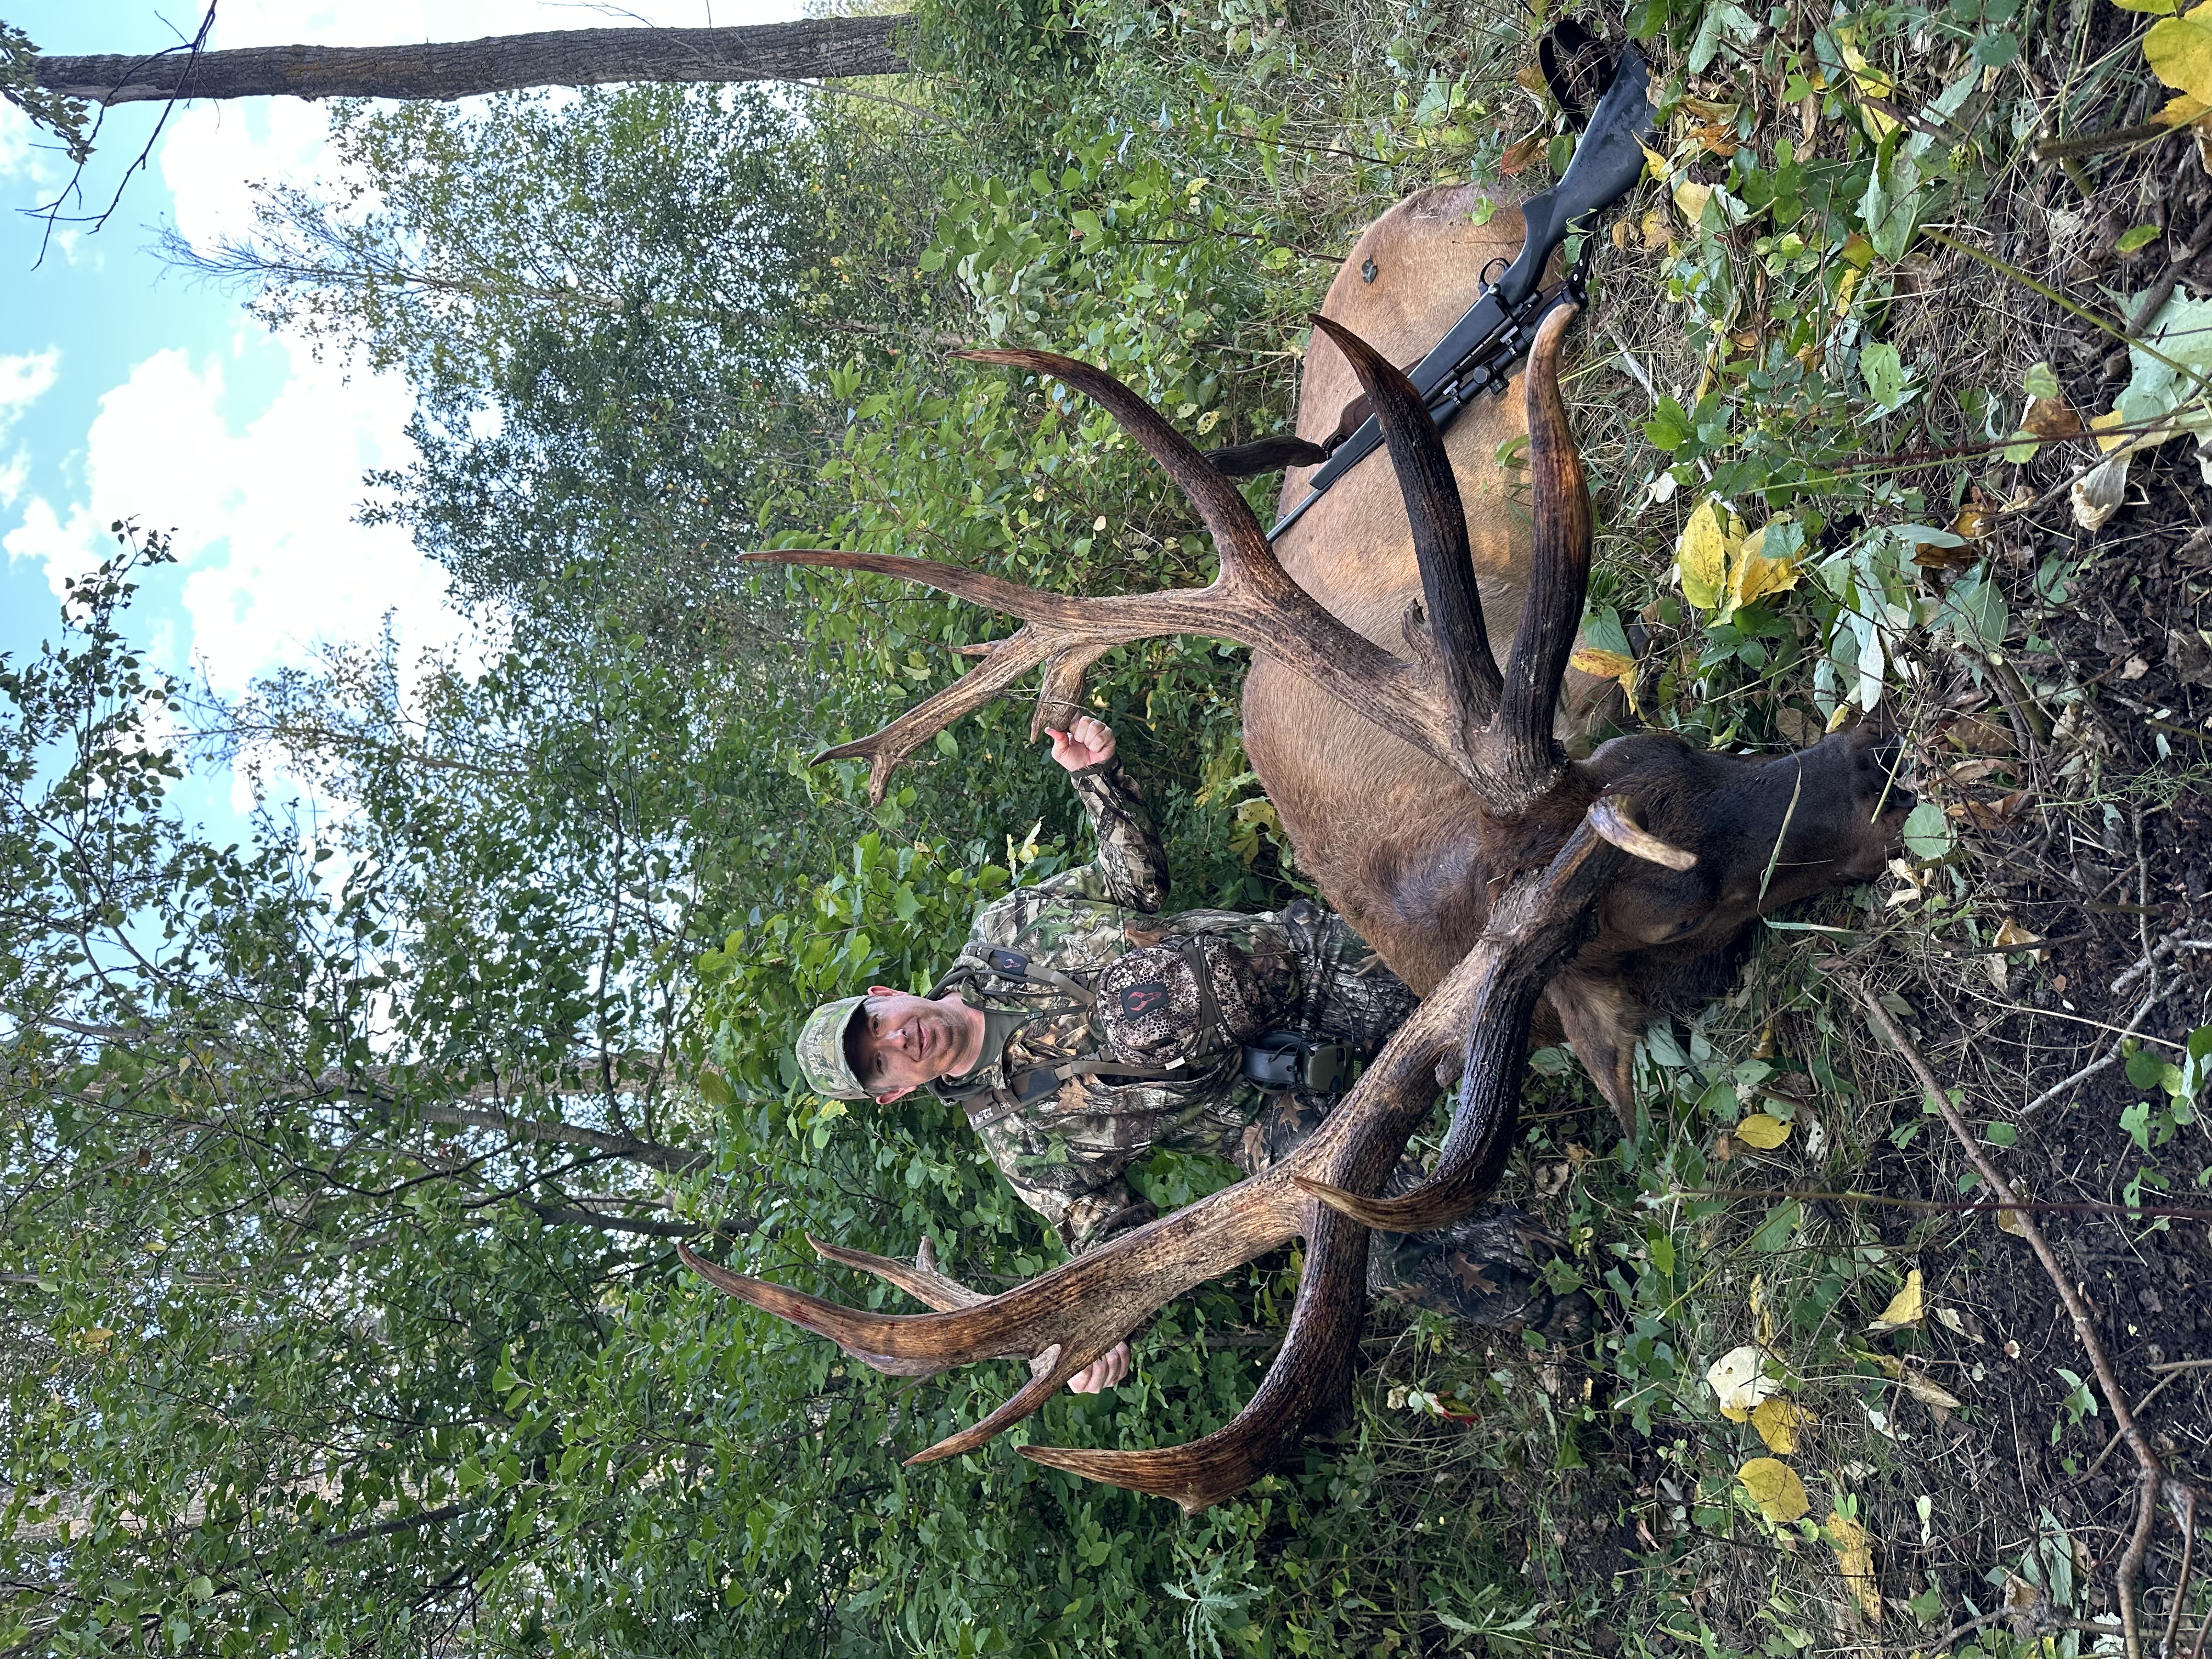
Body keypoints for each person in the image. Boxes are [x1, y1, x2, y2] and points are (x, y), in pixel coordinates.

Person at [796, 716, 1586, 1392]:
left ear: (888, 992)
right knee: (1367, 1244)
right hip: (1258, 1110)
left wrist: (1099, 781)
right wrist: (1097, 1332)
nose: (897, 1042)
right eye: (879, 1064)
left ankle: (1615, 928)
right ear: (893, 1093)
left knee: (1503, 962)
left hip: (1301, 966)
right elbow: (1107, 1229)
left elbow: (1134, 887)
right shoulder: (1017, 1141)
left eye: (879, 1024)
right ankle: (1583, 1292)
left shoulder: (1007, 931)